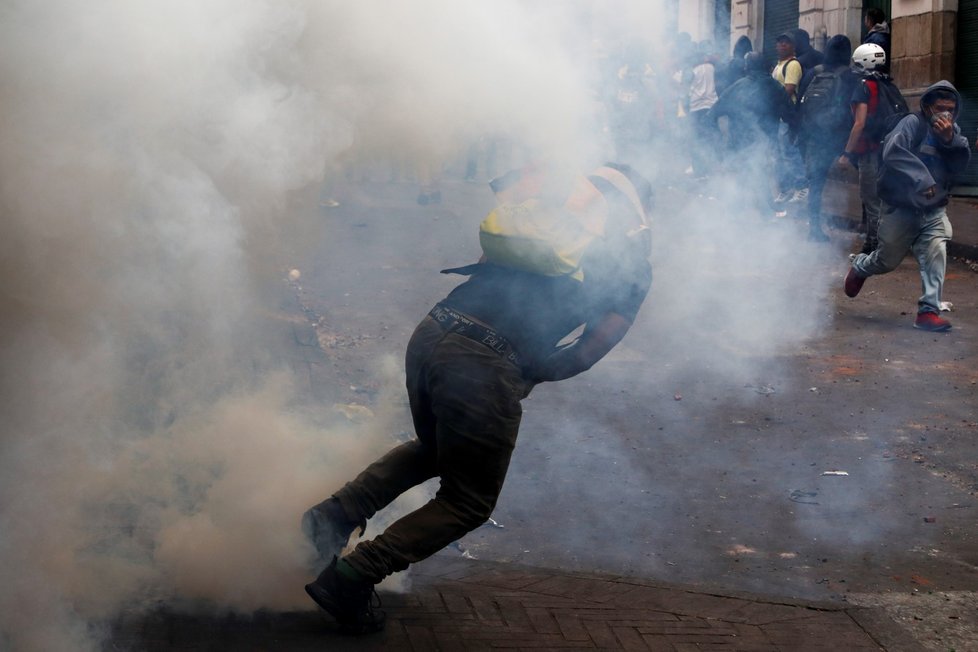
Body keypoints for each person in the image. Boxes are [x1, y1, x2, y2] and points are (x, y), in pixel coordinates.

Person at [301, 163, 653, 633]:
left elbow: (488, 271)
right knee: (468, 500)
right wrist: (531, 369)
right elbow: (590, 349)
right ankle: (353, 575)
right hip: (483, 365)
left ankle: (334, 516)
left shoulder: (544, 217)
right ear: (635, 209)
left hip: (433, 331)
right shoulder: (630, 258)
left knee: (438, 451)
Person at [843, 81, 970, 332]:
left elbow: (960, 165)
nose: (945, 114)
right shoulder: (912, 124)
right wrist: (921, 178)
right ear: (927, 107)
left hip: (933, 209)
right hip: (901, 207)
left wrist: (950, 141)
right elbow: (893, 151)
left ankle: (928, 312)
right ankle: (860, 267)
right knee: (887, 260)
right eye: (940, 107)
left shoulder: (952, 131)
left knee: (936, 251)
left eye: (950, 109)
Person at [838, 43, 902, 254]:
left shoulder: (864, 86)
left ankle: (875, 247)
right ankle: (880, 243)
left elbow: (859, 124)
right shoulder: (889, 85)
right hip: (889, 151)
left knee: (871, 199)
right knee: (884, 200)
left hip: (870, 151)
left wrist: (846, 153)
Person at [710, 52, 789, 215]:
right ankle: (762, 210)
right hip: (765, 142)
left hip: (739, 143)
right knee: (755, 171)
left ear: (747, 67)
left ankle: (741, 212)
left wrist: (716, 139)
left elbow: (712, 113)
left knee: (747, 173)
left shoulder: (737, 87)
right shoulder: (776, 87)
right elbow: (790, 115)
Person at [797, 35, 856, 241]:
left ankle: (814, 228)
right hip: (839, 136)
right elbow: (853, 109)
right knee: (867, 182)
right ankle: (871, 233)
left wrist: (802, 134)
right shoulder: (849, 75)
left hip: (814, 136)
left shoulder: (813, 72)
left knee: (816, 184)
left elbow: (801, 104)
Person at [771, 32, 807, 209]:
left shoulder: (793, 65)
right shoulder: (778, 65)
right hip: (778, 116)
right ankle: (785, 189)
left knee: (789, 152)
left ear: (793, 46)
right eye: (779, 43)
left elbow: (789, 89)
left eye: (786, 43)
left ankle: (802, 186)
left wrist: (772, 102)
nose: (781, 46)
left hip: (787, 115)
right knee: (780, 154)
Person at [687, 41, 719, 177]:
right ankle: (711, 169)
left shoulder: (693, 71)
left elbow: (684, 87)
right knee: (711, 139)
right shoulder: (713, 68)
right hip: (711, 107)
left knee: (697, 140)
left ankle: (699, 170)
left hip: (696, 108)